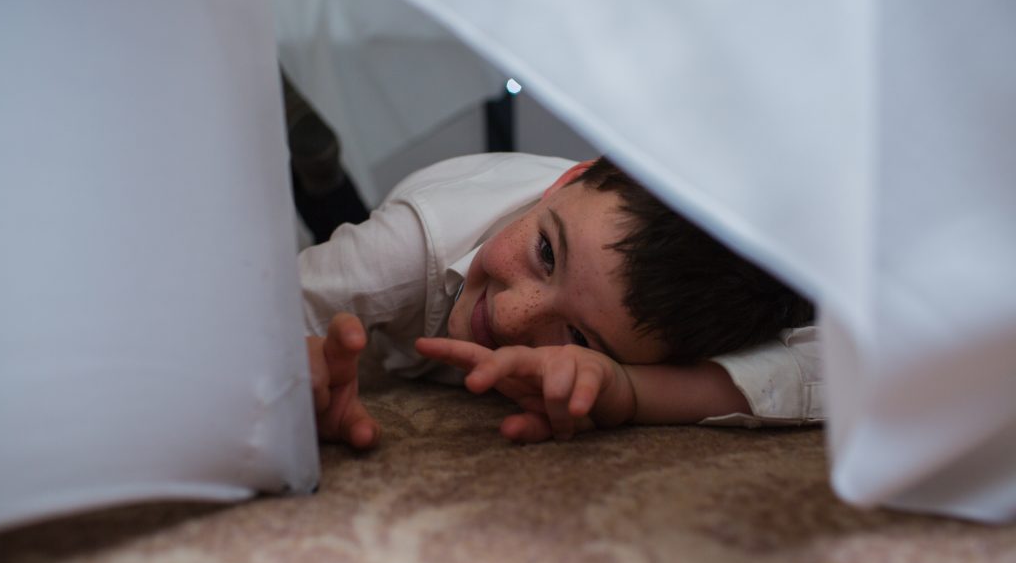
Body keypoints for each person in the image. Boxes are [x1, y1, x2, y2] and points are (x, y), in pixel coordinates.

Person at [301, 153, 823, 450]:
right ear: (567, 180)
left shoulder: (664, 322)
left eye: (579, 338)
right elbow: (265, 307)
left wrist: (633, 394)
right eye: (546, 253)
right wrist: (294, 372)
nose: (509, 317)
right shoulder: (411, 244)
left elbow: (828, 367)